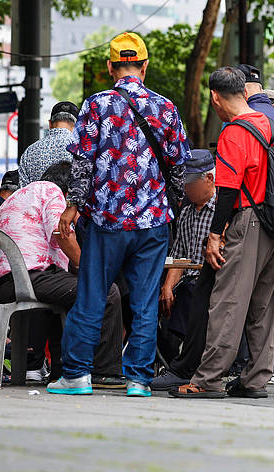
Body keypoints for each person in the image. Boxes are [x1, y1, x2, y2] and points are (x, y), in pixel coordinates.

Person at [49, 32, 190, 397]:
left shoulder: (95, 105)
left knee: (92, 296)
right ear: (145, 65)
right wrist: (167, 206)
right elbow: (179, 165)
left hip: (106, 221)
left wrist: (74, 204)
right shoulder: (166, 108)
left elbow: (82, 162)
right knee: (144, 302)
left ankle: (77, 375)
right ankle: (139, 380)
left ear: (110, 67)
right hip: (153, 223)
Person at [170, 67, 274, 399]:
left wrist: (215, 234)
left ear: (215, 97)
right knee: (264, 305)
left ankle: (208, 379)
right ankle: (255, 378)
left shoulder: (234, 132)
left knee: (228, 301)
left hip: (248, 219)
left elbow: (225, 191)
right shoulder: (270, 124)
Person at [0, 161, 125, 387]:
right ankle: (104, 371)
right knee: (107, 291)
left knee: (65, 293)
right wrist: (88, 269)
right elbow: (62, 234)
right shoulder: (51, 191)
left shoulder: (17, 196)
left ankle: (61, 371)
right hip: (29, 277)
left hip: (4, 282)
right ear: (69, 189)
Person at [156, 150, 217, 367]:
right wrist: (167, 286)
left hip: (210, 280)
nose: (186, 189)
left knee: (191, 293)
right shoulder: (187, 212)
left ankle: (182, 362)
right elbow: (179, 255)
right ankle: (171, 359)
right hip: (186, 280)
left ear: (209, 178)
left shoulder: (222, 210)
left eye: (191, 183)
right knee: (159, 298)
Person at [18, 101, 79, 186]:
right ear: (77, 125)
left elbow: (22, 191)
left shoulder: (30, 151)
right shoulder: (82, 151)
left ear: (50, 124)